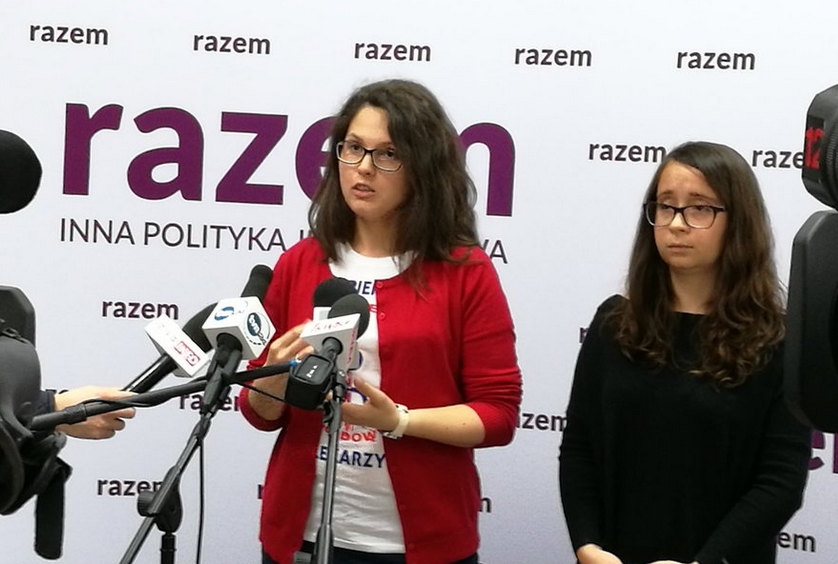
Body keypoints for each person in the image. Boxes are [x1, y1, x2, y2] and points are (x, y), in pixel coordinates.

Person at [238, 79, 522, 564]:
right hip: (301, 538)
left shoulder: (465, 271)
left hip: (414, 542)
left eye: (388, 154)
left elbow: (498, 414)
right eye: (353, 148)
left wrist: (399, 422)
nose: (364, 168)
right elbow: (259, 413)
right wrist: (270, 386)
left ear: (424, 167)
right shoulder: (300, 263)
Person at [558, 141, 811, 564]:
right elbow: (579, 446)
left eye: (699, 208)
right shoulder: (613, 323)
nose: (676, 223)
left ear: (737, 221)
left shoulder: (778, 340)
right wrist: (587, 546)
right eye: (665, 206)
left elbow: (780, 482)